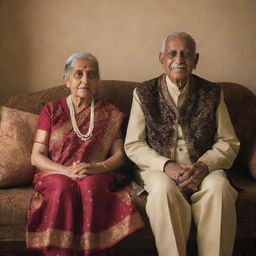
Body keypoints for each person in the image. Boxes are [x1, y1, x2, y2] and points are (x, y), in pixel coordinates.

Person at [124, 32, 240, 256]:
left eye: (186, 54)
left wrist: (203, 166)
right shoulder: (143, 93)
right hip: (159, 170)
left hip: (203, 167)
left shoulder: (212, 93)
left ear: (195, 61)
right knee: (163, 191)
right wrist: (166, 165)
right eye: (172, 53)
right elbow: (134, 144)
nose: (179, 59)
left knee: (220, 189)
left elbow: (228, 141)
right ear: (162, 59)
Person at [26, 52, 144, 256]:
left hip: (96, 173)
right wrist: (66, 171)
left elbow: (120, 156)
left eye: (91, 74)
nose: (85, 80)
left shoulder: (111, 113)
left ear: (98, 81)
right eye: (78, 74)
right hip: (56, 173)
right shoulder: (51, 110)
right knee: (62, 186)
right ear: (67, 80)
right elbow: (36, 156)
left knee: (92, 185)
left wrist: (95, 168)